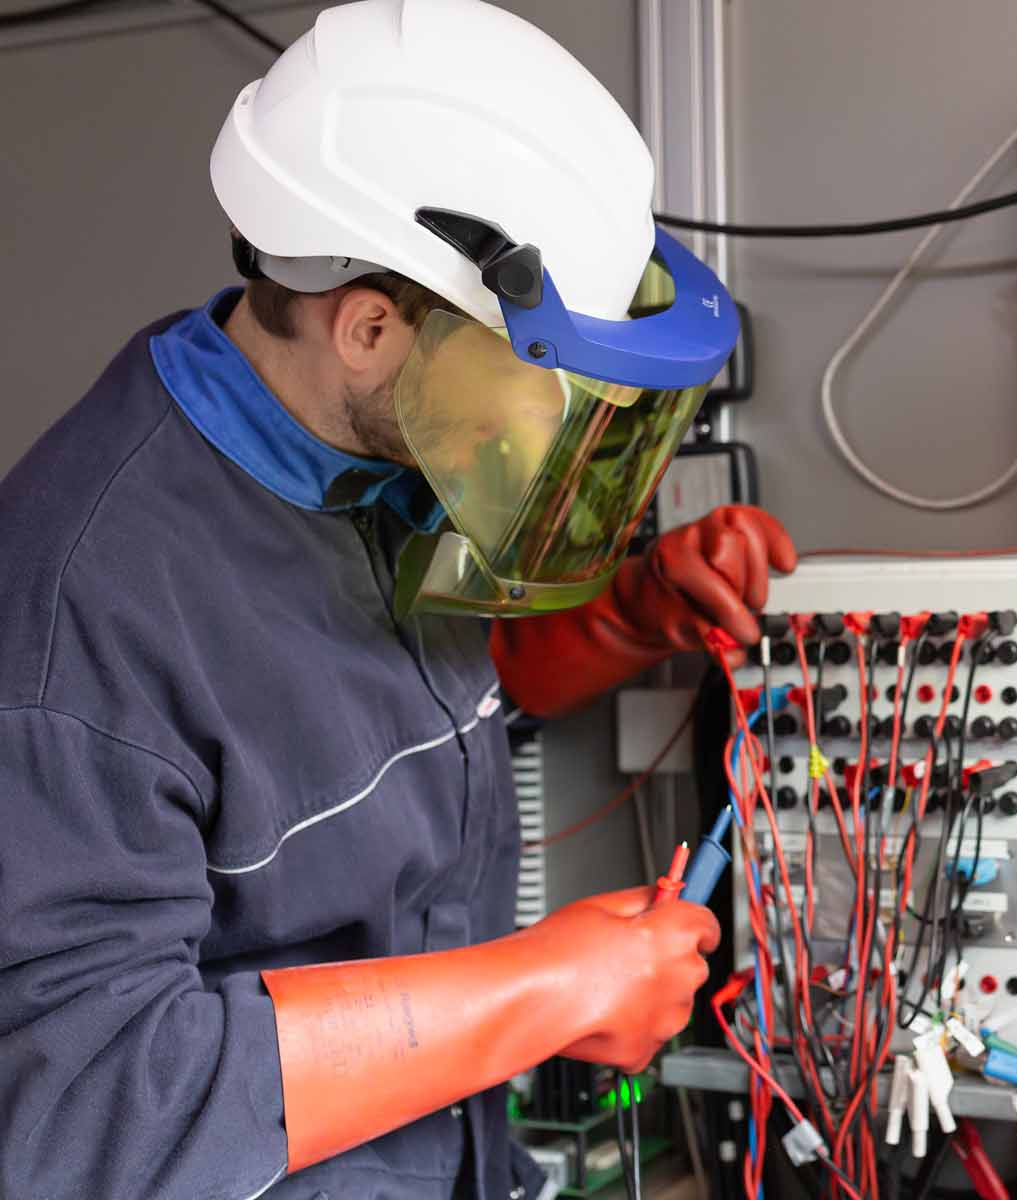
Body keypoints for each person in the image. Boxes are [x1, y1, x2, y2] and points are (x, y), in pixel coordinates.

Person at [0, 1, 794, 1196]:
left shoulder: (382, 458)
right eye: (545, 379)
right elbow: (85, 1107)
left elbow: (415, 716)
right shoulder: (77, 626)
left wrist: (630, 619)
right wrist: (547, 991)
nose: (553, 425)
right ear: (370, 325)